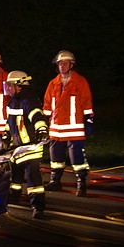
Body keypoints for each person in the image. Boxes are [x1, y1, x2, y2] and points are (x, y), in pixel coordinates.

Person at [43, 50, 94, 197]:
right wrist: (45, 123)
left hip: (74, 127)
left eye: (65, 63)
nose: (62, 66)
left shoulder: (80, 81)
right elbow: (47, 105)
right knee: (55, 158)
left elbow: (86, 102)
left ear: (71, 65)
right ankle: (55, 181)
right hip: (56, 128)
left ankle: (81, 183)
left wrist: (88, 120)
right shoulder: (53, 83)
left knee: (77, 158)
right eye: (60, 63)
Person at [1, 71, 49, 219]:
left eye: (10, 85)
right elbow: (10, 123)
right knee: (15, 176)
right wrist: (5, 136)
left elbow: (36, 115)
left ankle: (38, 207)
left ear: (19, 85)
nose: (7, 88)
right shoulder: (12, 101)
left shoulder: (29, 99)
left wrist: (41, 129)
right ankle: (14, 196)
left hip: (31, 147)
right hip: (17, 147)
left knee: (33, 179)